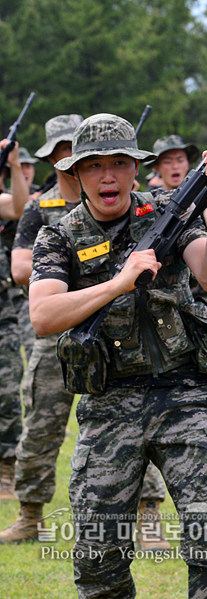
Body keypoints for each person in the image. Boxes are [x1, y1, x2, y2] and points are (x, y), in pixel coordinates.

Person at [29, 113, 207, 597]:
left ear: (135, 168)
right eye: (96, 166)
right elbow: (43, 316)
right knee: (98, 555)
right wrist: (119, 282)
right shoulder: (59, 236)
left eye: (120, 163)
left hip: (184, 395)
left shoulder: (168, 210)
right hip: (108, 403)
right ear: (77, 173)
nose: (108, 176)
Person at [0, 115, 169, 548]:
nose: (63, 159)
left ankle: (148, 514)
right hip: (63, 332)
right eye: (61, 154)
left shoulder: (138, 207)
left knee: (139, 414)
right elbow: (21, 268)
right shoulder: (43, 209)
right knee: (41, 420)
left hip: (121, 330)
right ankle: (30, 511)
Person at [147, 133, 207, 464]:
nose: (175, 166)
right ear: (157, 167)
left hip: (199, 300)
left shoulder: (197, 192)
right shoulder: (150, 204)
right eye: (167, 161)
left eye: (180, 160)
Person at [0, 140, 37, 501]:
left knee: (8, 393)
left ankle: (6, 466)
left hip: (4, 314)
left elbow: (19, 206)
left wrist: (12, 165)